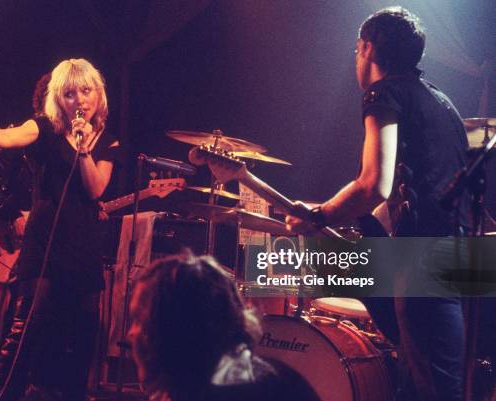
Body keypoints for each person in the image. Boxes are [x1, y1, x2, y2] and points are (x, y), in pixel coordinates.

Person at [285, 7, 471, 401]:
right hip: (456, 255)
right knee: (431, 384)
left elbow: (374, 185)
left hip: (421, 258)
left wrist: (319, 215)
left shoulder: (384, 93)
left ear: (367, 48)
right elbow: (423, 187)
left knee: (429, 389)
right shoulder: (442, 102)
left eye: (357, 50)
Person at [0, 58, 120, 401]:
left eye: (85, 90)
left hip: (83, 251)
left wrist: (83, 149)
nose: (79, 100)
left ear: (98, 94)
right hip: (44, 246)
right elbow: (7, 137)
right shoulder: (44, 129)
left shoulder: (107, 142)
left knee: (81, 337)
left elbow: (96, 188)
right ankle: (2, 396)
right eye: (69, 93)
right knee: (27, 328)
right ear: (58, 99)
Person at [128, 250, 319, 401]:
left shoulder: (214, 393)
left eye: (140, 320)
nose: (131, 333)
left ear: (175, 332)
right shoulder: (270, 378)